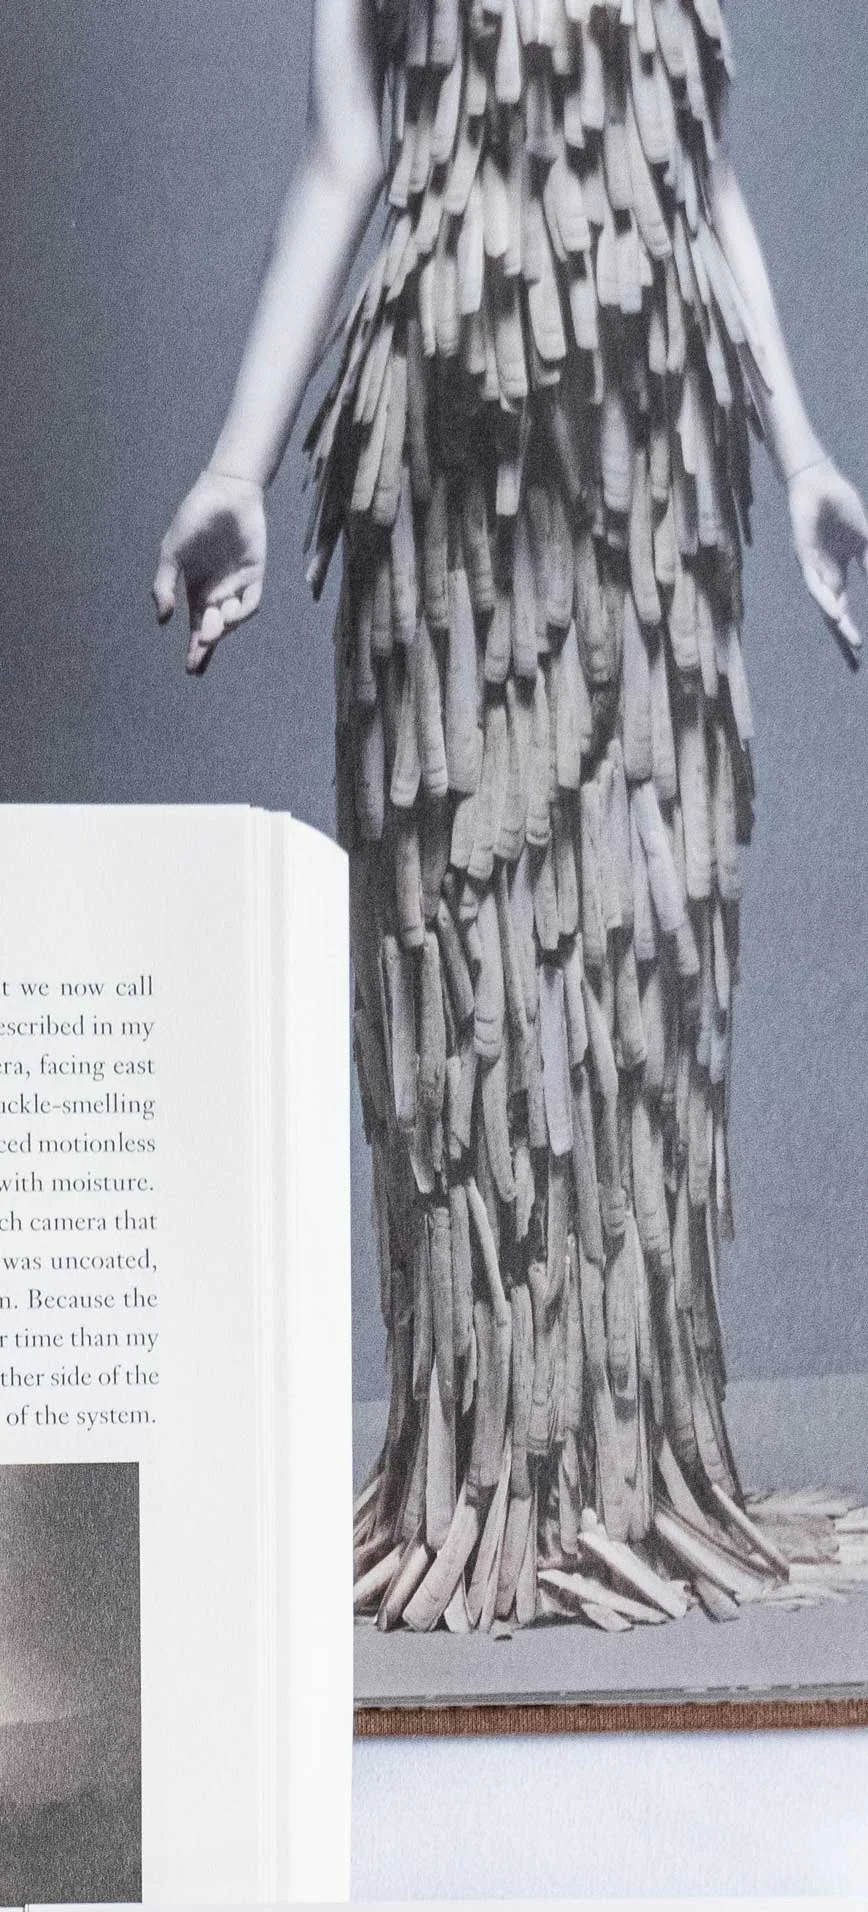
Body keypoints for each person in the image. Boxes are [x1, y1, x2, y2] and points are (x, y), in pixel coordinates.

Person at [155, 0, 866, 1636]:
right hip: (452, 485)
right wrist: (236, 469)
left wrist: (805, 444)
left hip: (649, 477)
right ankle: (481, 1470)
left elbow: (696, 172)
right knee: (467, 988)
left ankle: (629, 1473)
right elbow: (344, 158)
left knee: (635, 977)